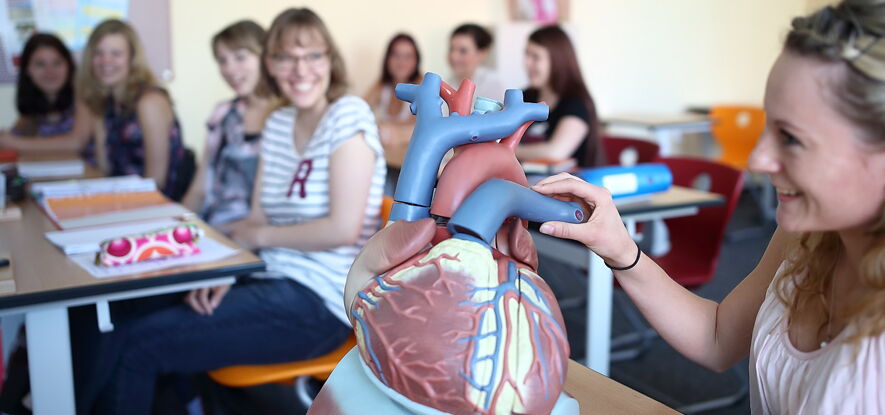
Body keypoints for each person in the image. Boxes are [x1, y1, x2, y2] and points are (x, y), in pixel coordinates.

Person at [530, 1, 884, 412]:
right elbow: (716, 337)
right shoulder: (807, 235)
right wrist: (621, 248)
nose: (756, 159)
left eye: (791, 138)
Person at [84, 8, 385, 414]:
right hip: (268, 276)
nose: (300, 70)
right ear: (270, 65)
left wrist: (253, 243)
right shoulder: (279, 123)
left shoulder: (348, 113)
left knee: (139, 345)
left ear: (330, 60)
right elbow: (258, 215)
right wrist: (230, 269)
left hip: (320, 302)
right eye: (285, 58)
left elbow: (342, 229)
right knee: (130, 312)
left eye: (313, 56)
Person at [181, 20, 273, 230]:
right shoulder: (223, 113)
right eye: (222, 60)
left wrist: (206, 233)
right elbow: (199, 189)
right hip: (208, 228)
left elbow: (264, 215)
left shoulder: (283, 118)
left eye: (240, 57)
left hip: (250, 235)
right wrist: (178, 226)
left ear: (264, 57)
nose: (230, 69)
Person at [515, 25, 603, 168]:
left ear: (557, 60)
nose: (526, 63)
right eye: (526, 55)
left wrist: (509, 149)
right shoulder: (525, 96)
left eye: (535, 57)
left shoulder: (577, 103)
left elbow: (555, 152)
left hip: (569, 185)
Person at [0, 33, 94, 156]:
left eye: (57, 63)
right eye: (40, 64)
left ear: (68, 66)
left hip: (90, 174)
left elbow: (76, 143)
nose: (50, 71)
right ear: (28, 69)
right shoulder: (31, 108)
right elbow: (9, 138)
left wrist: (14, 143)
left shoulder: (84, 96)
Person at [363, 33, 422, 193]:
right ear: (387, 59)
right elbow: (359, 113)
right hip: (388, 161)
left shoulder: (420, 86)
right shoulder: (382, 86)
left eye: (407, 56)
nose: (401, 62)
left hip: (410, 166)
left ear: (416, 60)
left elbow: (419, 130)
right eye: (396, 55)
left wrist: (386, 130)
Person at [447, 23, 504, 102]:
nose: (454, 56)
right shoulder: (448, 83)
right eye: (451, 49)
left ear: (482, 54)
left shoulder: (492, 84)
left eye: (463, 51)